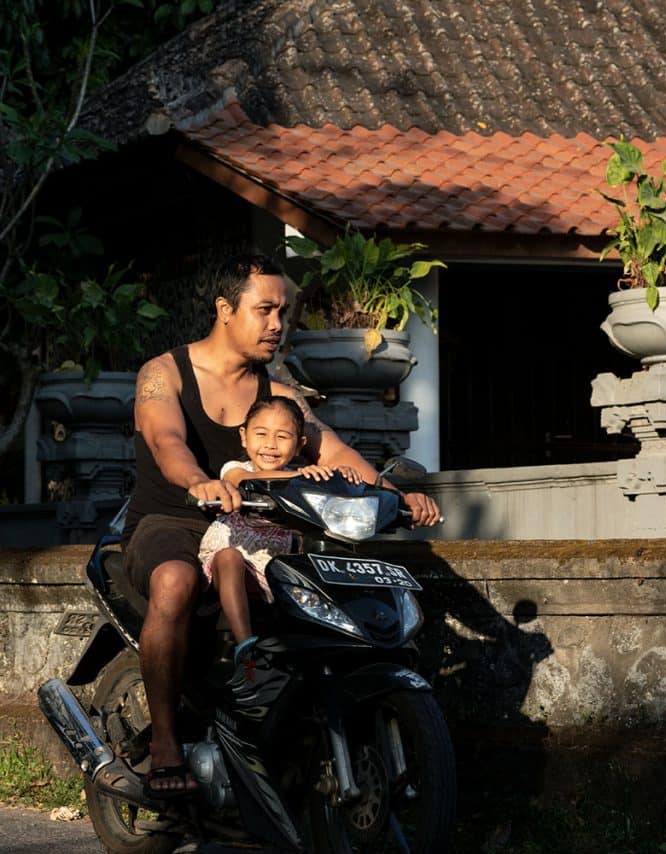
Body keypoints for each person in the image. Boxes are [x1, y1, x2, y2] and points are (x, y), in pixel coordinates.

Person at [122, 251, 440, 797]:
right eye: (264, 310)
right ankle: (166, 746)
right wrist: (199, 480)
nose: (278, 324)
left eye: (283, 311)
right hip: (172, 523)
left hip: (257, 535)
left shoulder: (282, 395)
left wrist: (397, 496)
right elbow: (166, 440)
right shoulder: (164, 372)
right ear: (225, 309)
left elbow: (337, 452)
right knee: (174, 582)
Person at [197, 394, 361, 684]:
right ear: (244, 437)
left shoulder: (299, 474)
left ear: (299, 445)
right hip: (233, 561)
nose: (271, 444)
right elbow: (244, 482)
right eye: (261, 434)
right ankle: (246, 647)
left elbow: (336, 493)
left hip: (275, 564)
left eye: (283, 436)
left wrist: (340, 475)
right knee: (229, 557)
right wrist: (301, 475)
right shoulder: (237, 468)